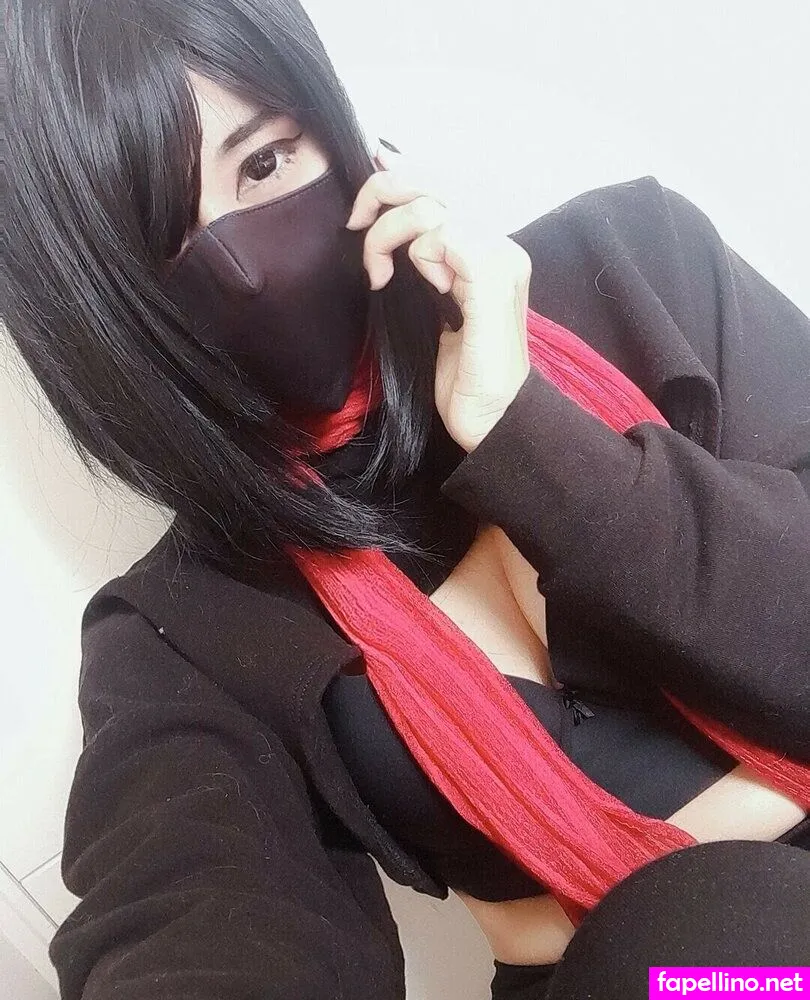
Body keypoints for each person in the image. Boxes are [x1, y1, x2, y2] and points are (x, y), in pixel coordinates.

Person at [3, 2, 808, 998]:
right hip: (682, 978)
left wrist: (530, 437)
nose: (243, 273)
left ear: (340, 135)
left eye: (265, 162)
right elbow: (186, 906)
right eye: (166, 244)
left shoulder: (637, 262)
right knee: (707, 939)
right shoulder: (178, 627)